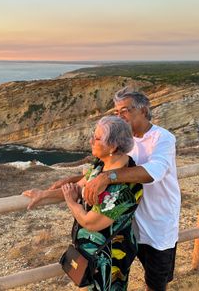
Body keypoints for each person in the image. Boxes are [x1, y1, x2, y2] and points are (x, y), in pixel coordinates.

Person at [47, 88, 181, 291]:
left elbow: (154, 172)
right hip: (126, 226)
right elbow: (102, 167)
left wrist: (107, 178)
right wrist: (72, 179)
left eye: (125, 110)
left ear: (143, 110)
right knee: (118, 276)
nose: (120, 116)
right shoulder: (123, 138)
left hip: (157, 225)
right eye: (117, 112)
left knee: (155, 283)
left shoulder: (163, 138)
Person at [23, 116, 143, 290]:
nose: (91, 141)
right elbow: (77, 189)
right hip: (94, 254)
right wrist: (43, 194)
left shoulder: (122, 188)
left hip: (110, 258)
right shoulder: (101, 166)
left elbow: (89, 221)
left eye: (97, 138)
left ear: (113, 145)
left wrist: (72, 203)